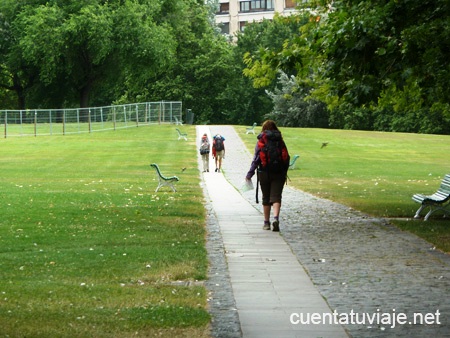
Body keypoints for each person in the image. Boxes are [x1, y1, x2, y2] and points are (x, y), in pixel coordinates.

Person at [245, 120, 289, 232]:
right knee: (276, 196)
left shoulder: (262, 141)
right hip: (279, 173)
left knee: (266, 197)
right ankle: (276, 218)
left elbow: (256, 159)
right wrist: (284, 172)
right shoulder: (279, 140)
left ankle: (266, 222)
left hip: (264, 172)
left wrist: (250, 174)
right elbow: (286, 157)